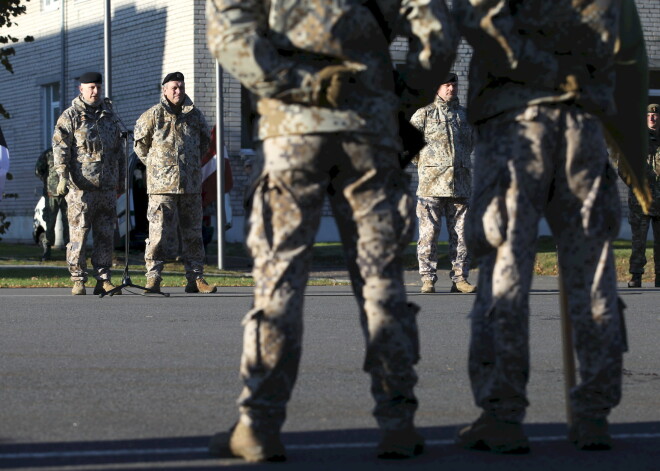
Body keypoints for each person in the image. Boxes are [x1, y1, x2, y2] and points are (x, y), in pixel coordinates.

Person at [206, 0, 457, 462]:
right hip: (372, 130)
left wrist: (299, 85)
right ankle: (398, 422)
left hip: (292, 130)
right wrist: (395, 93)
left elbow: (230, 36)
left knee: (279, 278)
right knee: (381, 279)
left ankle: (259, 425)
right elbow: (437, 32)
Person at [452, 0, 643, 453]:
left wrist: (542, 70)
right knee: (593, 273)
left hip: (516, 121)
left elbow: (481, 21)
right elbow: (628, 54)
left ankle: (502, 413)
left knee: (506, 269)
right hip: (584, 122)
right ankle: (593, 413)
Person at [133, 72, 216, 294]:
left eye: (180, 86)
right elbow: (141, 147)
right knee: (158, 233)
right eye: (173, 88)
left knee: (193, 233)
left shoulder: (195, 115)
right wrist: (157, 167)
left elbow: (204, 144)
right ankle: (153, 278)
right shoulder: (152, 116)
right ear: (164, 90)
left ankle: (196, 278)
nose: (178, 91)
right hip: (162, 187)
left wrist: (188, 166)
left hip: (190, 185)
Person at [52, 72, 125, 296]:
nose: (95, 92)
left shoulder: (110, 116)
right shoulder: (71, 116)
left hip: (106, 187)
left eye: (98, 88)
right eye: (91, 88)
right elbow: (60, 147)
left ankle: (103, 278)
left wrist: (121, 179)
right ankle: (78, 278)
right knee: (79, 235)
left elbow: (118, 151)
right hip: (80, 188)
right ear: (81, 89)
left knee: (105, 234)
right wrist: (62, 175)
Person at [410, 73, 475, 294]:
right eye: (446, 84)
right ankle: (428, 279)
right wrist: (431, 166)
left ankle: (460, 279)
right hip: (431, 186)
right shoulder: (424, 114)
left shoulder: (465, 116)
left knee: (463, 234)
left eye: (454, 85)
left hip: (461, 185)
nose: (451, 89)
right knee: (428, 235)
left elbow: (469, 145)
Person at [626, 104, 660, 288]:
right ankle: (636, 275)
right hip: (640, 201)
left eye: (655, 116)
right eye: (649, 115)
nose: (652, 118)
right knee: (638, 240)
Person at [35, 147, 69, 261]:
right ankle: (47, 250)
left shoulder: (70, 152)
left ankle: (69, 251)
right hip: (51, 193)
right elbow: (38, 170)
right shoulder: (48, 154)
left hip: (67, 193)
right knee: (50, 222)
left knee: (69, 222)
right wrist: (48, 182)